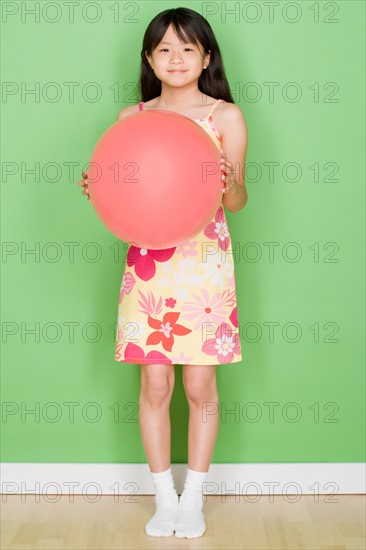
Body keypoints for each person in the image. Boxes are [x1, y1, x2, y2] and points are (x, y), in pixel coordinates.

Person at [78, 6, 248, 540]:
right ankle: (163, 498)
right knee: (154, 382)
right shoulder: (133, 119)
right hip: (151, 263)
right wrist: (98, 187)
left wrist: (227, 182)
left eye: (188, 49)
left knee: (200, 383)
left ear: (206, 57)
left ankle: (193, 497)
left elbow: (239, 202)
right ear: (149, 59)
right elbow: (124, 193)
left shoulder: (225, 117)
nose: (176, 59)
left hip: (205, 262)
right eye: (165, 49)